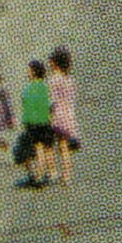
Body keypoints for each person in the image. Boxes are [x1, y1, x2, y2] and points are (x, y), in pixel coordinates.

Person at [14, 59, 57, 186]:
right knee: (46, 148)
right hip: (45, 121)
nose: (27, 72)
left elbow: (25, 105)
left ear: (33, 72)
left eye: (29, 70)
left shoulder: (28, 88)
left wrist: (25, 122)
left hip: (32, 123)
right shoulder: (45, 86)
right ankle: (48, 173)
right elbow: (51, 105)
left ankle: (38, 175)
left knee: (38, 149)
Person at [47, 47, 80, 185]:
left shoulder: (54, 80)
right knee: (65, 147)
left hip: (57, 116)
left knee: (51, 145)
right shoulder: (69, 79)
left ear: (55, 63)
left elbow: (51, 100)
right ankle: (67, 176)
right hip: (69, 115)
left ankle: (53, 171)